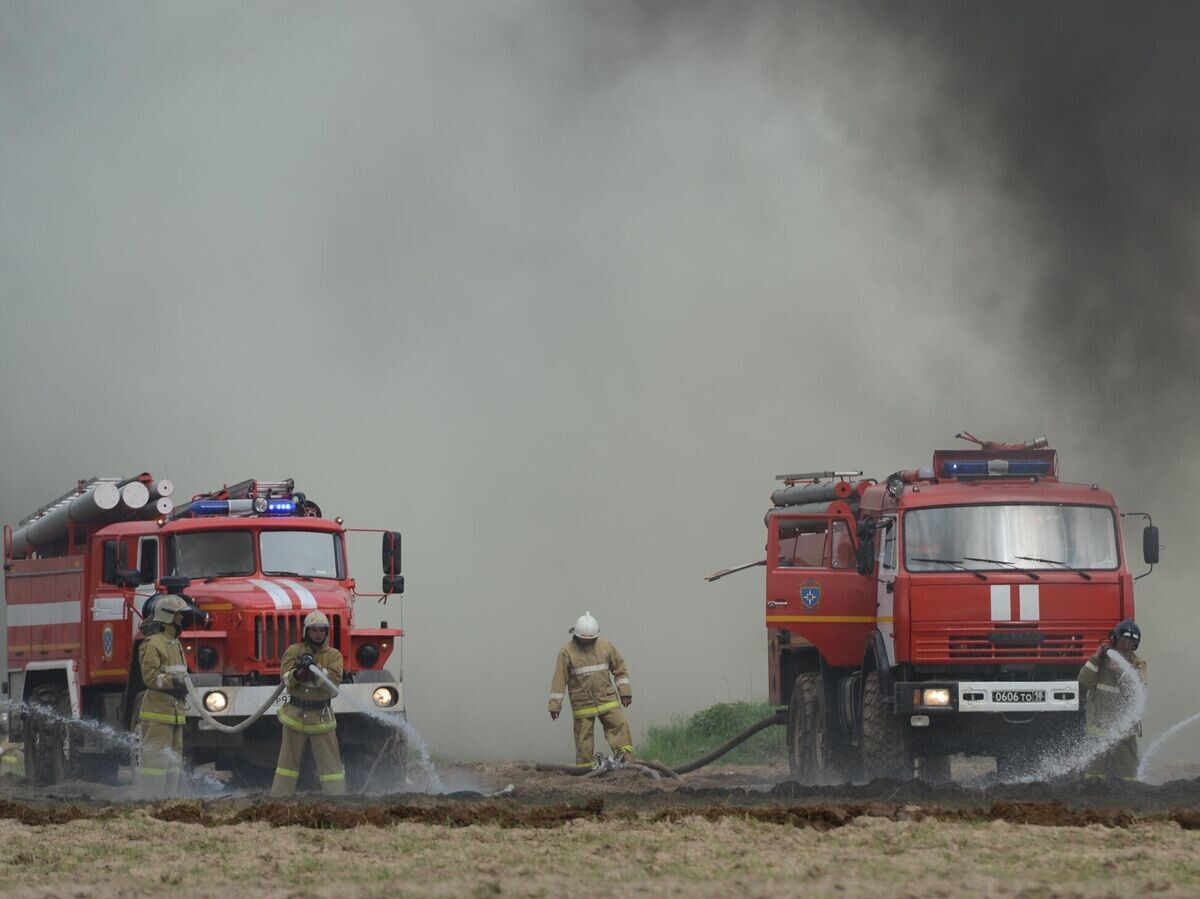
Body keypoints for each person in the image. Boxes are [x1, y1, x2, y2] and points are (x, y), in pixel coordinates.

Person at [271, 610, 345, 795]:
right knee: (286, 765)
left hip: (322, 718)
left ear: (326, 632)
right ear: (306, 631)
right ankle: (280, 799)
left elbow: (333, 685)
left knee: (331, 767)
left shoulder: (334, 656)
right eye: (314, 630)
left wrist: (316, 670)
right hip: (295, 716)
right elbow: (285, 679)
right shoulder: (293, 652)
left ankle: (337, 799)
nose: (318, 634)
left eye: (321, 630)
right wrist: (298, 673)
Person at [548, 611, 634, 766]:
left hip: (607, 699)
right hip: (582, 704)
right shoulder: (566, 652)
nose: (587, 643)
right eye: (583, 640)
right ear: (575, 636)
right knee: (583, 740)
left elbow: (620, 669)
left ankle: (628, 764)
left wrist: (625, 693)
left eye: (591, 640)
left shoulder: (606, 646)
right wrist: (555, 706)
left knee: (620, 727)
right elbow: (559, 680)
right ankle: (586, 770)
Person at [135, 594, 191, 798]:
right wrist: (172, 681)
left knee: (173, 763)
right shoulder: (153, 643)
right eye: (178, 615)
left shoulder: (173, 643)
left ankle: (170, 801)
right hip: (158, 712)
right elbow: (149, 677)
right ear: (167, 616)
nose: (181, 619)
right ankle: (148, 800)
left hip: (175, 712)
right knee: (155, 762)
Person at [1078, 618, 1147, 779]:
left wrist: (1118, 671)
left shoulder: (1138, 664)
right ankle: (1092, 798)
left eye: (1130, 642)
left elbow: (1135, 692)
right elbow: (1084, 680)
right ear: (1115, 639)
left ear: (1135, 645)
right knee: (1093, 775)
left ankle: (1128, 800)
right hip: (1099, 727)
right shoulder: (1101, 660)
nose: (1125, 645)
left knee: (1128, 775)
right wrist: (1096, 656)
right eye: (1122, 640)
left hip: (1124, 731)